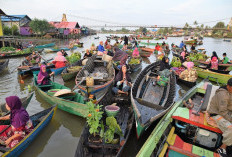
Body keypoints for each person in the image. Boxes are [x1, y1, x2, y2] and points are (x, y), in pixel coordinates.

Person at [207, 78, 232, 156]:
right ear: (228, 86)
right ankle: (222, 148)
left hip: (226, 112)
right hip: (216, 114)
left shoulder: (229, 91)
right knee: (230, 128)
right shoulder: (223, 95)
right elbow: (223, 112)